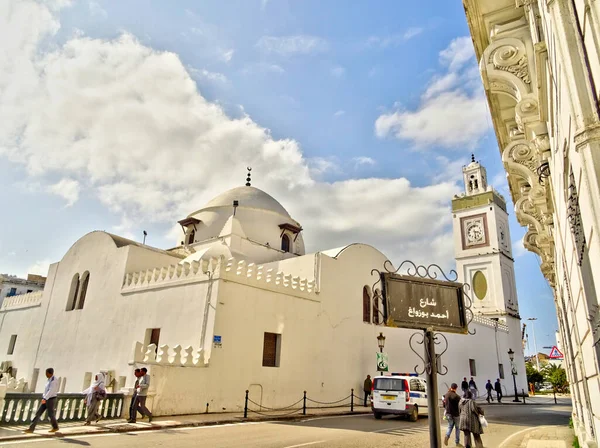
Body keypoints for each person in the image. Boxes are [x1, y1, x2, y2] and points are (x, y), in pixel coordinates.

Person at [24, 368, 59, 434]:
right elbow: (46, 390)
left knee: (50, 414)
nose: (46, 374)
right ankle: (31, 428)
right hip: (46, 398)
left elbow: (51, 391)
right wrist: (44, 397)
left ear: (50, 373)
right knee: (38, 413)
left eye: (46, 373)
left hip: (50, 399)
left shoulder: (54, 381)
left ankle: (55, 427)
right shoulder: (49, 379)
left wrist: (45, 399)